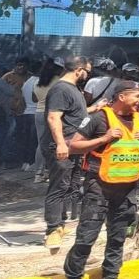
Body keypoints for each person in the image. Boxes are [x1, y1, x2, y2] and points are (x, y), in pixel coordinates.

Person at [56, 81, 139, 279]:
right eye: (136, 96)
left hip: (126, 189)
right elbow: (73, 145)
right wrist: (104, 139)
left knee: (117, 239)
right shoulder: (99, 118)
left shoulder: (138, 119)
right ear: (121, 96)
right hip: (99, 187)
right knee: (86, 238)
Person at [43, 56, 91, 251]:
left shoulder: (73, 90)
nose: (88, 75)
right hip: (64, 146)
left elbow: (74, 115)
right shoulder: (61, 89)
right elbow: (54, 117)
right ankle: (52, 229)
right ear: (78, 70)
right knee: (58, 186)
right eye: (87, 71)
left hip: (76, 146)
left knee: (70, 185)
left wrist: (94, 108)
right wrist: (61, 143)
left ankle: (61, 224)